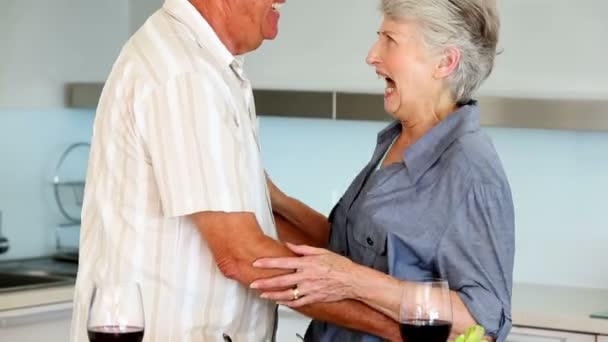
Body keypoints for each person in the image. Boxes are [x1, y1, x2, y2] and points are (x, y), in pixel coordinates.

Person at [70, 0, 403, 341]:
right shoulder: (185, 75)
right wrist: (400, 328)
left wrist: (379, 288)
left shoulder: (204, 66)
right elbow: (241, 255)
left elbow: (262, 231)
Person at [251, 0, 515, 341]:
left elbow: (482, 320)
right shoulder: (399, 139)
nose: (372, 56)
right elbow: (352, 247)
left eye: (390, 40)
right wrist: (278, 200)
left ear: (445, 62)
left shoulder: (471, 169)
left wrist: (352, 281)